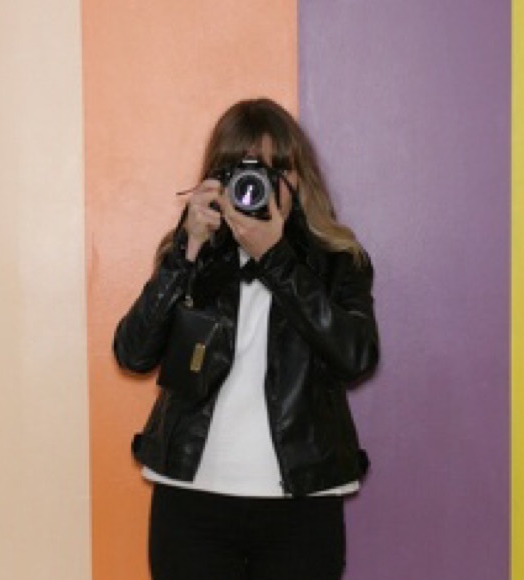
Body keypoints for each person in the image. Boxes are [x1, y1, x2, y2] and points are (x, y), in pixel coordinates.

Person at [113, 98, 379, 580]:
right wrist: (187, 250)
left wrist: (276, 258)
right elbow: (133, 354)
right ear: (218, 179)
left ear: (300, 179)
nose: (261, 185)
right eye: (244, 170)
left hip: (302, 503)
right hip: (192, 499)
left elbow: (356, 356)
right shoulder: (192, 254)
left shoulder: (337, 260)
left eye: (278, 170)